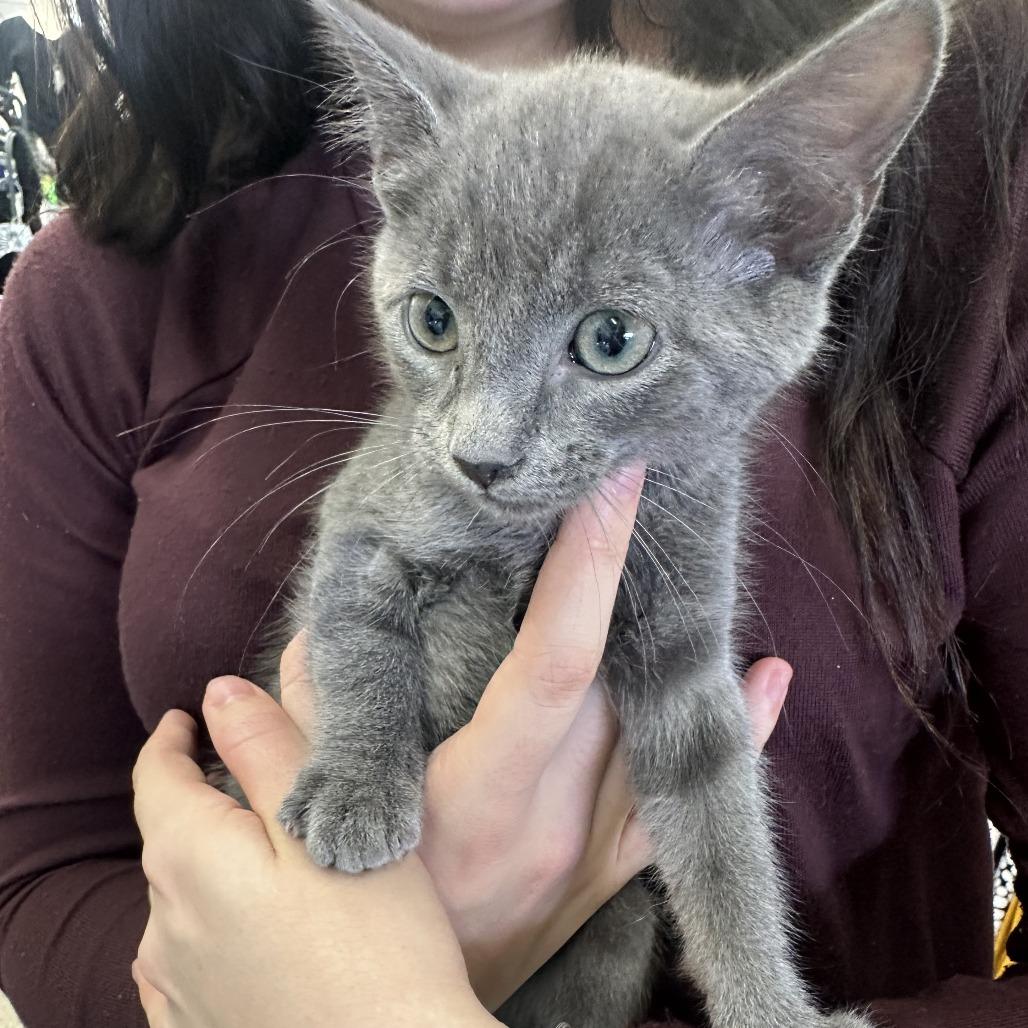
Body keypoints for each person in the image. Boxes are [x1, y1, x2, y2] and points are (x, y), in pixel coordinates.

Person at [0, 0, 1026, 1026]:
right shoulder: (96, 288)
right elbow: (35, 875)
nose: (479, 441)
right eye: (436, 323)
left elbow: (689, 730)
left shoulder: (983, 150)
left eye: (610, 341)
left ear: (788, 231)